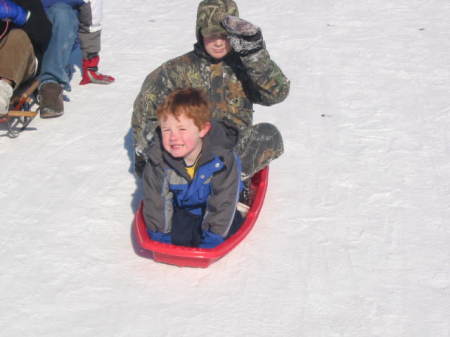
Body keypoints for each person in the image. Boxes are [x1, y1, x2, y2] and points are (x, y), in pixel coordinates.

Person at [132, 0, 290, 181]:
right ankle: (191, 184)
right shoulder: (173, 71)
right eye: (211, 35)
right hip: (188, 154)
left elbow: (277, 93)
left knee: (269, 134)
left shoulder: (245, 66)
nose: (218, 43)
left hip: (232, 151)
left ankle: (228, 180)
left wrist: (255, 55)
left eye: (225, 35)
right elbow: (144, 118)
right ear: (200, 33)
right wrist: (151, 160)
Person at [142, 88, 243, 248]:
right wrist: (161, 239)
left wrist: (212, 239)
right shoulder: (159, 161)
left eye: (182, 129)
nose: (173, 137)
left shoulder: (221, 160)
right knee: (181, 238)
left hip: (218, 206)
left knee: (231, 228)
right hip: (185, 210)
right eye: (166, 130)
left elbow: (223, 202)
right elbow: (157, 201)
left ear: (202, 129)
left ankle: (244, 192)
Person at [37, 0, 114, 118]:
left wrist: (90, 61)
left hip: (59, 36)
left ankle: (51, 83)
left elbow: (91, 21)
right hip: (22, 25)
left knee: (62, 14)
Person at [0, 0, 51, 117]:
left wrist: (21, 15)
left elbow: (45, 37)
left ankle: (1, 93)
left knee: (17, 36)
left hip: (25, 60)